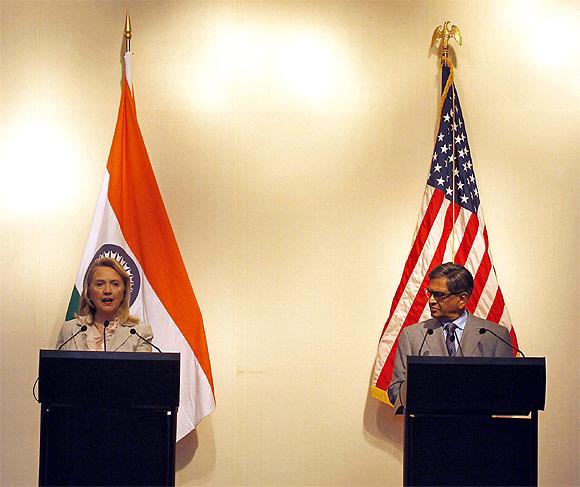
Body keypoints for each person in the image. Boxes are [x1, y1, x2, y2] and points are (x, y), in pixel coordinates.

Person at [388, 262, 513, 413]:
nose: (431, 300)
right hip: (427, 430)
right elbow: (395, 391)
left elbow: (507, 390)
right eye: (430, 293)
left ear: (462, 299)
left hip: (479, 431)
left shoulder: (494, 336)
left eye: (439, 295)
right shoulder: (412, 335)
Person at [56, 257, 153, 352]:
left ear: (124, 291)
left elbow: (142, 368)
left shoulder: (140, 332)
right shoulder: (69, 330)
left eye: (115, 284)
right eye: (100, 284)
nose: (107, 291)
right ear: (88, 292)